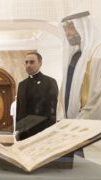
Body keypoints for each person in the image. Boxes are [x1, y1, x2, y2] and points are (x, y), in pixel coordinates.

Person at [60, 11, 101, 160]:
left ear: (83, 26)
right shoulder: (75, 56)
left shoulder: (97, 55)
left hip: (89, 131)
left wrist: (79, 123)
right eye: (64, 28)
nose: (67, 33)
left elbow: (98, 98)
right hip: (71, 131)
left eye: (70, 27)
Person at [16, 52, 58, 140]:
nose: (28, 65)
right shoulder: (21, 85)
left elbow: (52, 110)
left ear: (40, 63)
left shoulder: (50, 82)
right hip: (24, 133)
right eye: (26, 62)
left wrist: (49, 132)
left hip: (42, 132)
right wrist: (17, 130)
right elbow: (19, 109)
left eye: (32, 62)